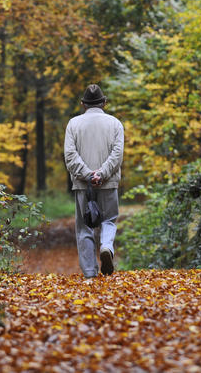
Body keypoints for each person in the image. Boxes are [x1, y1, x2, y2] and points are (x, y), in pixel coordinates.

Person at [64, 84, 124, 278]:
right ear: (104, 102)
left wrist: (88, 175)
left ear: (83, 104)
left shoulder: (73, 124)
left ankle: (90, 273)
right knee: (109, 220)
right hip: (108, 183)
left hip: (83, 184)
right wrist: (102, 173)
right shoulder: (115, 124)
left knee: (84, 227)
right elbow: (117, 154)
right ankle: (106, 247)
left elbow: (70, 155)